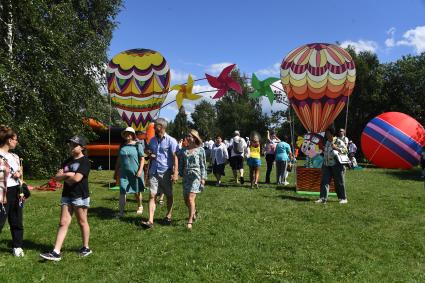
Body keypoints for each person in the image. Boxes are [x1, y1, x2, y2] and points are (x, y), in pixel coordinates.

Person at [40, 135, 91, 261]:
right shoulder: (67, 161)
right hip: (67, 195)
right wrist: (69, 174)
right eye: (70, 144)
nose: (71, 147)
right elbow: (57, 177)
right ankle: (56, 252)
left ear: (82, 147)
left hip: (80, 196)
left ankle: (86, 248)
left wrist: (66, 175)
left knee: (82, 222)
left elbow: (77, 179)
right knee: (63, 222)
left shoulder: (85, 162)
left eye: (74, 145)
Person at [141, 118, 178, 228]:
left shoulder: (171, 140)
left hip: (166, 172)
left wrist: (175, 172)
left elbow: (175, 157)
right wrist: (149, 153)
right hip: (154, 171)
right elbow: (151, 153)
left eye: (155, 125)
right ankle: (150, 220)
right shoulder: (152, 140)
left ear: (161, 127)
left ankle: (168, 215)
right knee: (152, 195)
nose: (153, 127)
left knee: (169, 195)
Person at [0, 125, 26, 257]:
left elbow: (20, 175)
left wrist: (19, 177)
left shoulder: (15, 156)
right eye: (15, 139)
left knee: (16, 220)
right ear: (9, 140)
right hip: (3, 192)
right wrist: (11, 174)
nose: (17, 142)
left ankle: (17, 247)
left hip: (16, 192)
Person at [179, 129, 207, 229]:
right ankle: (193, 211)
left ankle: (190, 220)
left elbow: (203, 165)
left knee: (191, 198)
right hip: (186, 177)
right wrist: (179, 174)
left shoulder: (200, 150)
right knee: (186, 200)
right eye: (187, 136)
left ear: (195, 138)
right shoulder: (183, 150)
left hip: (196, 177)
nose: (188, 138)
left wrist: (203, 178)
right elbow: (181, 164)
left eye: (190, 136)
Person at [114, 127, 145, 217]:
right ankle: (121, 212)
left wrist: (140, 170)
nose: (127, 135)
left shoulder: (137, 145)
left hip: (135, 172)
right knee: (122, 191)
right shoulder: (122, 146)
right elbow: (119, 160)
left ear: (132, 135)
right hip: (124, 173)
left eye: (129, 133)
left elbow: (142, 159)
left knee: (137, 191)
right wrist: (116, 171)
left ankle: (140, 206)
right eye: (126, 133)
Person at [316, 127, 349, 204]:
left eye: (327, 133)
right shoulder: (327, 142)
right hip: (327, 165)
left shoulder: (338, 141)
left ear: (331, 134)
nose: (326, 135)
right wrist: (322, 150)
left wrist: (336, 148)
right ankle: (322, 198)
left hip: (337, 165)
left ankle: (343, 198)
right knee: (324, 181)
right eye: (326, 133)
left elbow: (345, 151)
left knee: (339, 182)